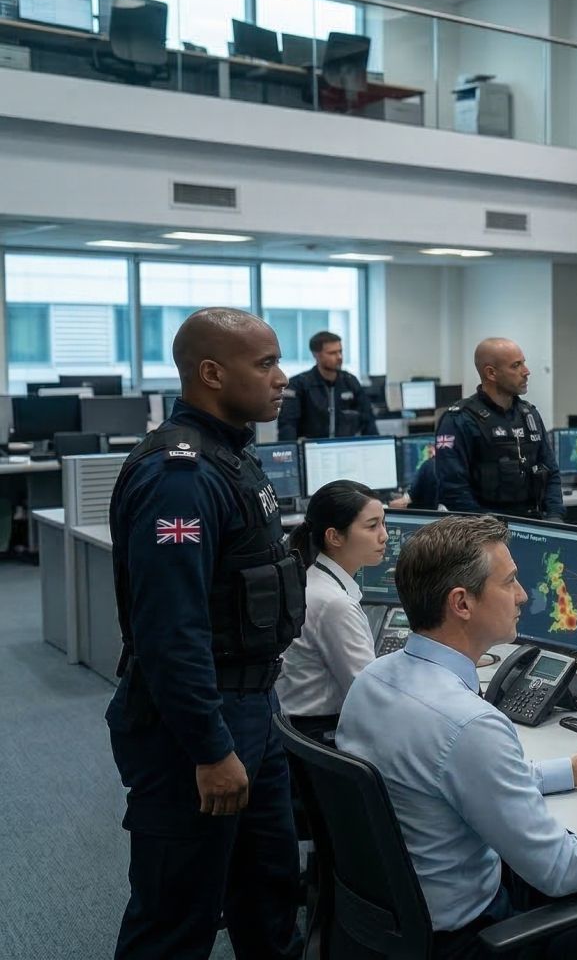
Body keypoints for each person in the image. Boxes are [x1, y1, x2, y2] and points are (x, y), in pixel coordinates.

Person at [336, 516, 577, 959]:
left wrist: (573, 771)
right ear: (462, 603)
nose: (522, 595)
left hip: (394, 925)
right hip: (468, 941)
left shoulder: (373, 680)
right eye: (509, 582)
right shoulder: (469, 724)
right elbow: (560, 869)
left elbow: (467, 778)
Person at [106, 307, 303, 960]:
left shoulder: (233, 457)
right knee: (176, 918)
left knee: (269, 896)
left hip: (254, 709)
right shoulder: (179, 478)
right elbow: (171, 632)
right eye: (266, 363)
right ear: (212, 373)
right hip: (195, 723)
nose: (282, 378)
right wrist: (210, 748)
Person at [276, 480, 384, 743]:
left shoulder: (314, 579)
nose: (384, 535)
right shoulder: (334, 603)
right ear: (334, 536)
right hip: (321, 735)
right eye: (372, 526)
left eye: (383, 523)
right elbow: (369, 694)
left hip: (298, 730)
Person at [436, 338, 563, 520]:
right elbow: (453, 490)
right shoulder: (459, 420)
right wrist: (490, 529)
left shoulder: (529, 415)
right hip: (483, 529)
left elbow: (551, 473)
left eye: (524, 363)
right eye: (516, 365)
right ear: (491, 373)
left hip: (533, 523)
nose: (526, 372)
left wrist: (555, 516)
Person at [277, 330, 380, 441]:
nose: (339, 357)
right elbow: (287, 426)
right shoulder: (298, 385)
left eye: (340, 352)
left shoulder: (350, 382)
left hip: (345, 446)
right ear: (316, 354)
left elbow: (368, 421)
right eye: (332, 353)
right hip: (311, 447)